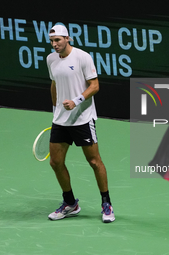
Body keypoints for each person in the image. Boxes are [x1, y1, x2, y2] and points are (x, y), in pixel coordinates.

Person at [46, 24, 115, 223]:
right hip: (60, 120)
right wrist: (55, 108)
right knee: (55, 162)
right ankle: (70, 203)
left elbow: (95, 85)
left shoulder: (82, 57)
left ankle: (106, 203)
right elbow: (54, 84)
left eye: (58, 40)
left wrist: (76, 101)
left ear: (68, 39)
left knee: (94, 162)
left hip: (82, 119)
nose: (54, 44)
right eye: (51, 41)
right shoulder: (51, 59)